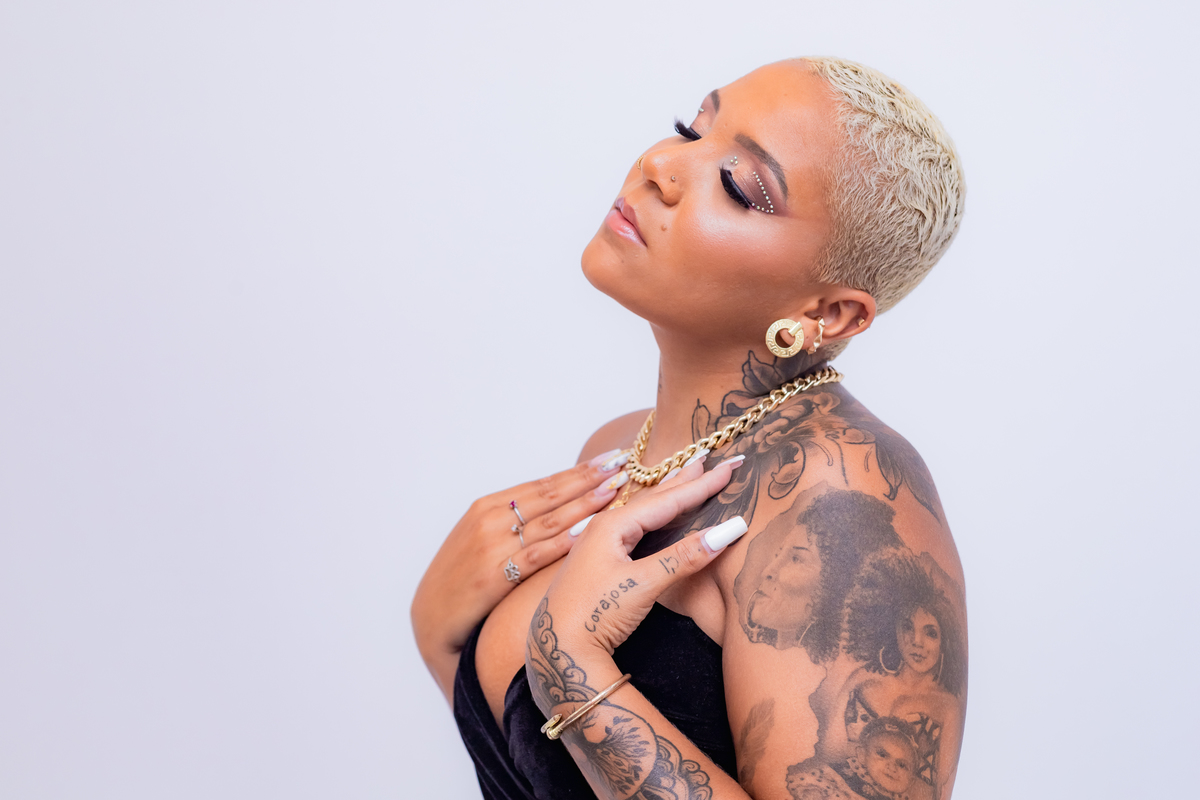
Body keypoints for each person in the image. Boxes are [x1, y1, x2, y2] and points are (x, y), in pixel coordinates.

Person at [412, 56, 968, 800]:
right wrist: (438, 633)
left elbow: (565, 682)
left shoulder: (844, 497)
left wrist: (573, 665)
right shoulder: (619, 451)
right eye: (690, 129)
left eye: (739, 186)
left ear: (826, 314)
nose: (660, 164)